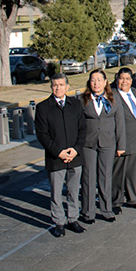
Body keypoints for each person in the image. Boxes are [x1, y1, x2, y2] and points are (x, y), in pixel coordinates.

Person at [36, 73, 87, 237]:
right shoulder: (43, 107)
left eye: (61, 85)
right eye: (54, 85)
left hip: (75, 156)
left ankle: (73, 219)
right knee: (56, 193)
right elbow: (42, 134)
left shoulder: (76, 105)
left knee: (73, 191)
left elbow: (83, 129)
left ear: (67, 86)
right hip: (55, 158)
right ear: (51, 87)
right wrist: (58, 152)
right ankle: (59, 222)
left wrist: (76, 149)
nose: (58, 88)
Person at [81, 69, 125, 224]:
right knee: (88, 177)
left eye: (99, 80)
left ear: (105, 82)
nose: (96, 83)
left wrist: (121, 144)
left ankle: (106, 210)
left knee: (105, 176)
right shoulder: (83, 99)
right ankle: (87, 212)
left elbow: (120, 122)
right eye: (93, 80)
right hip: (88, 143)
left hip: (108, 142)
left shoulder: (113, 98)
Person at [112, 68, 136, 213]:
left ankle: (133, 199)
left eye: (127, 79)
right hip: (122, 140)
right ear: (117, 80)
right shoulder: (113, 96)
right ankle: (115, 201)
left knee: (133, 172)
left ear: (131, 81)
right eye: (121, 79)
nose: (124, 82)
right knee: (118, 173)